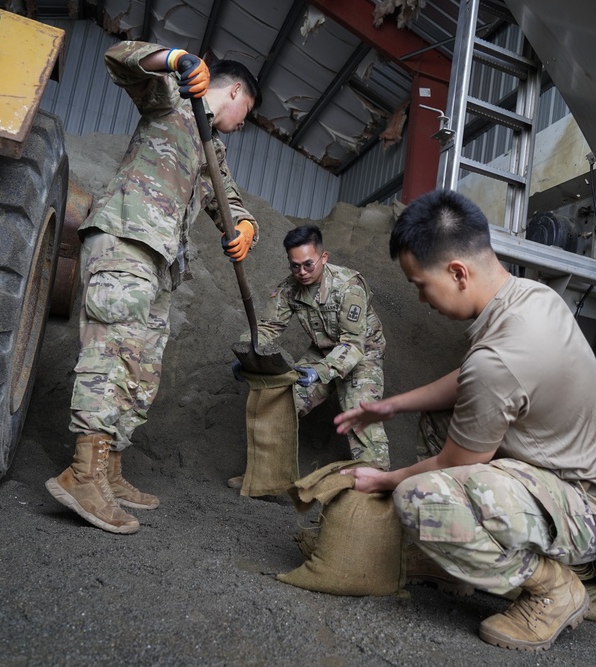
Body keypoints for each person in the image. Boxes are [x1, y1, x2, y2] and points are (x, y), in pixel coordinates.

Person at [335, 189, 596, 652]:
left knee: (420, 499)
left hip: (590, 511)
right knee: (440, 418)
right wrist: (393, 405)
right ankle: (455, 560)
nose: (419, 298)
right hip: (566, 478)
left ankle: (554, 587)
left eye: (420, 284)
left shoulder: (500, 356)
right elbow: (474, 380)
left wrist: (384, 480)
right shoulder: (528, 298)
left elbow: (454, 460)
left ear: (457, 272)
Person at [46, 41, 261, 535]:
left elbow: (228, 199)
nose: (243, 124)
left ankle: (110, 469)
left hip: (163, 263)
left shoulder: (214, 150)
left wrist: (245, 227)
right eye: (246, 112)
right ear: (233, 92)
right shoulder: (173, 99)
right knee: (113, 354)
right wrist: (175, 59)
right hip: (127, 236)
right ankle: (83, 473)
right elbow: (119, 58)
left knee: (141, 370)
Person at [230, 224, 390, 484]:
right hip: (323, 349)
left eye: (308, 264)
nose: (301, 272)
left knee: (362, 414)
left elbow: (353, 344)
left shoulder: (349, 286)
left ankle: (375, 492)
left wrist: (321, 371)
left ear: (323, 258)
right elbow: (269, 326)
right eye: (295, 266)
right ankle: (264, 479)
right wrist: (246, 353)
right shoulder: (289, 288)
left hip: (362, 353)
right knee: (281, 403)